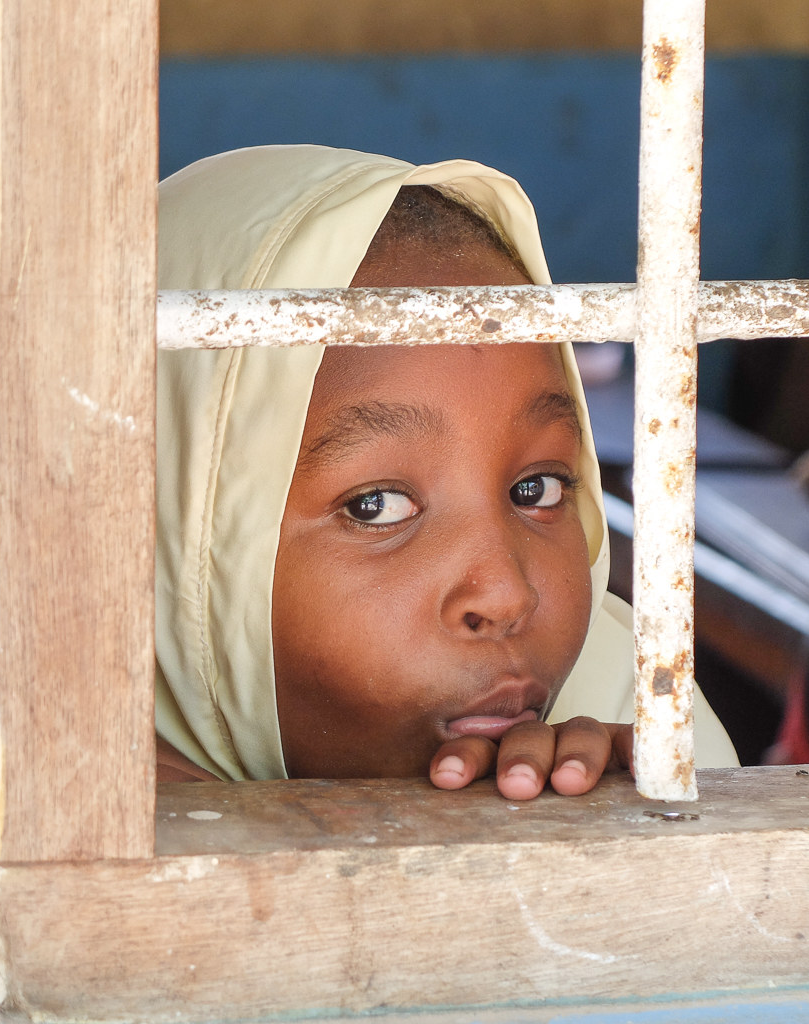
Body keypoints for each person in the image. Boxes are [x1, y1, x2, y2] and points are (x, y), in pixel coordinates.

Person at [154, 144, 738, 797]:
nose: (505, 596)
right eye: (375, 506)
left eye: (536, 488)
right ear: (166, 541)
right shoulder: (44, 799)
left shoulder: (632, 708)